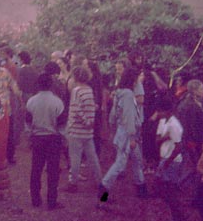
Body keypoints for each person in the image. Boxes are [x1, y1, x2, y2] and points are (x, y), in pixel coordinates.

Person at [99, 67, 147, 202]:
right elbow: (129, 117)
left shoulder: (119, 93)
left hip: (124, 130)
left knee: (137, 159)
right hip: (128, 133)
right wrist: (132, 137)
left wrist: (114, 126)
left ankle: (141, 186)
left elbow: (113, 115)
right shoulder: (127, 95)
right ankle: (103, 188)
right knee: (120, 163)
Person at [26, 73, 65, 209]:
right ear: (51, 84)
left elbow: (28, 122)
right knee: (53, 171)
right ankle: (51, 201)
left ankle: (35, 199)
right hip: (53, 138)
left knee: (36, 169)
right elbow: (61, 125)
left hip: (37, 138)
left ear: (38, 84)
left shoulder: (31, 101)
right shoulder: (57, 102)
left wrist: (30, 136)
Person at [151, 95, 186, 221]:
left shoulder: (174, 124)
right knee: (163, 188)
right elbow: (157, 140)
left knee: (170, 191)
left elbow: (178, 147)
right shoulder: (164, 121)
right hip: (165, 158)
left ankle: (178, 220)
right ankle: (179, 216)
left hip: (171, 161)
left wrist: (168, 162)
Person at [66, 65, 101, 193]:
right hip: (88, 131)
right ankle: (99, 181)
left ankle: (73, 183)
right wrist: (89, 122)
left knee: (75, 158)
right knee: (93, 158)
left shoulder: (76, 91)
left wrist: (85, 122)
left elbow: (76, 109)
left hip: (76, 130)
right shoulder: (89, 90)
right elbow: (90, 108)